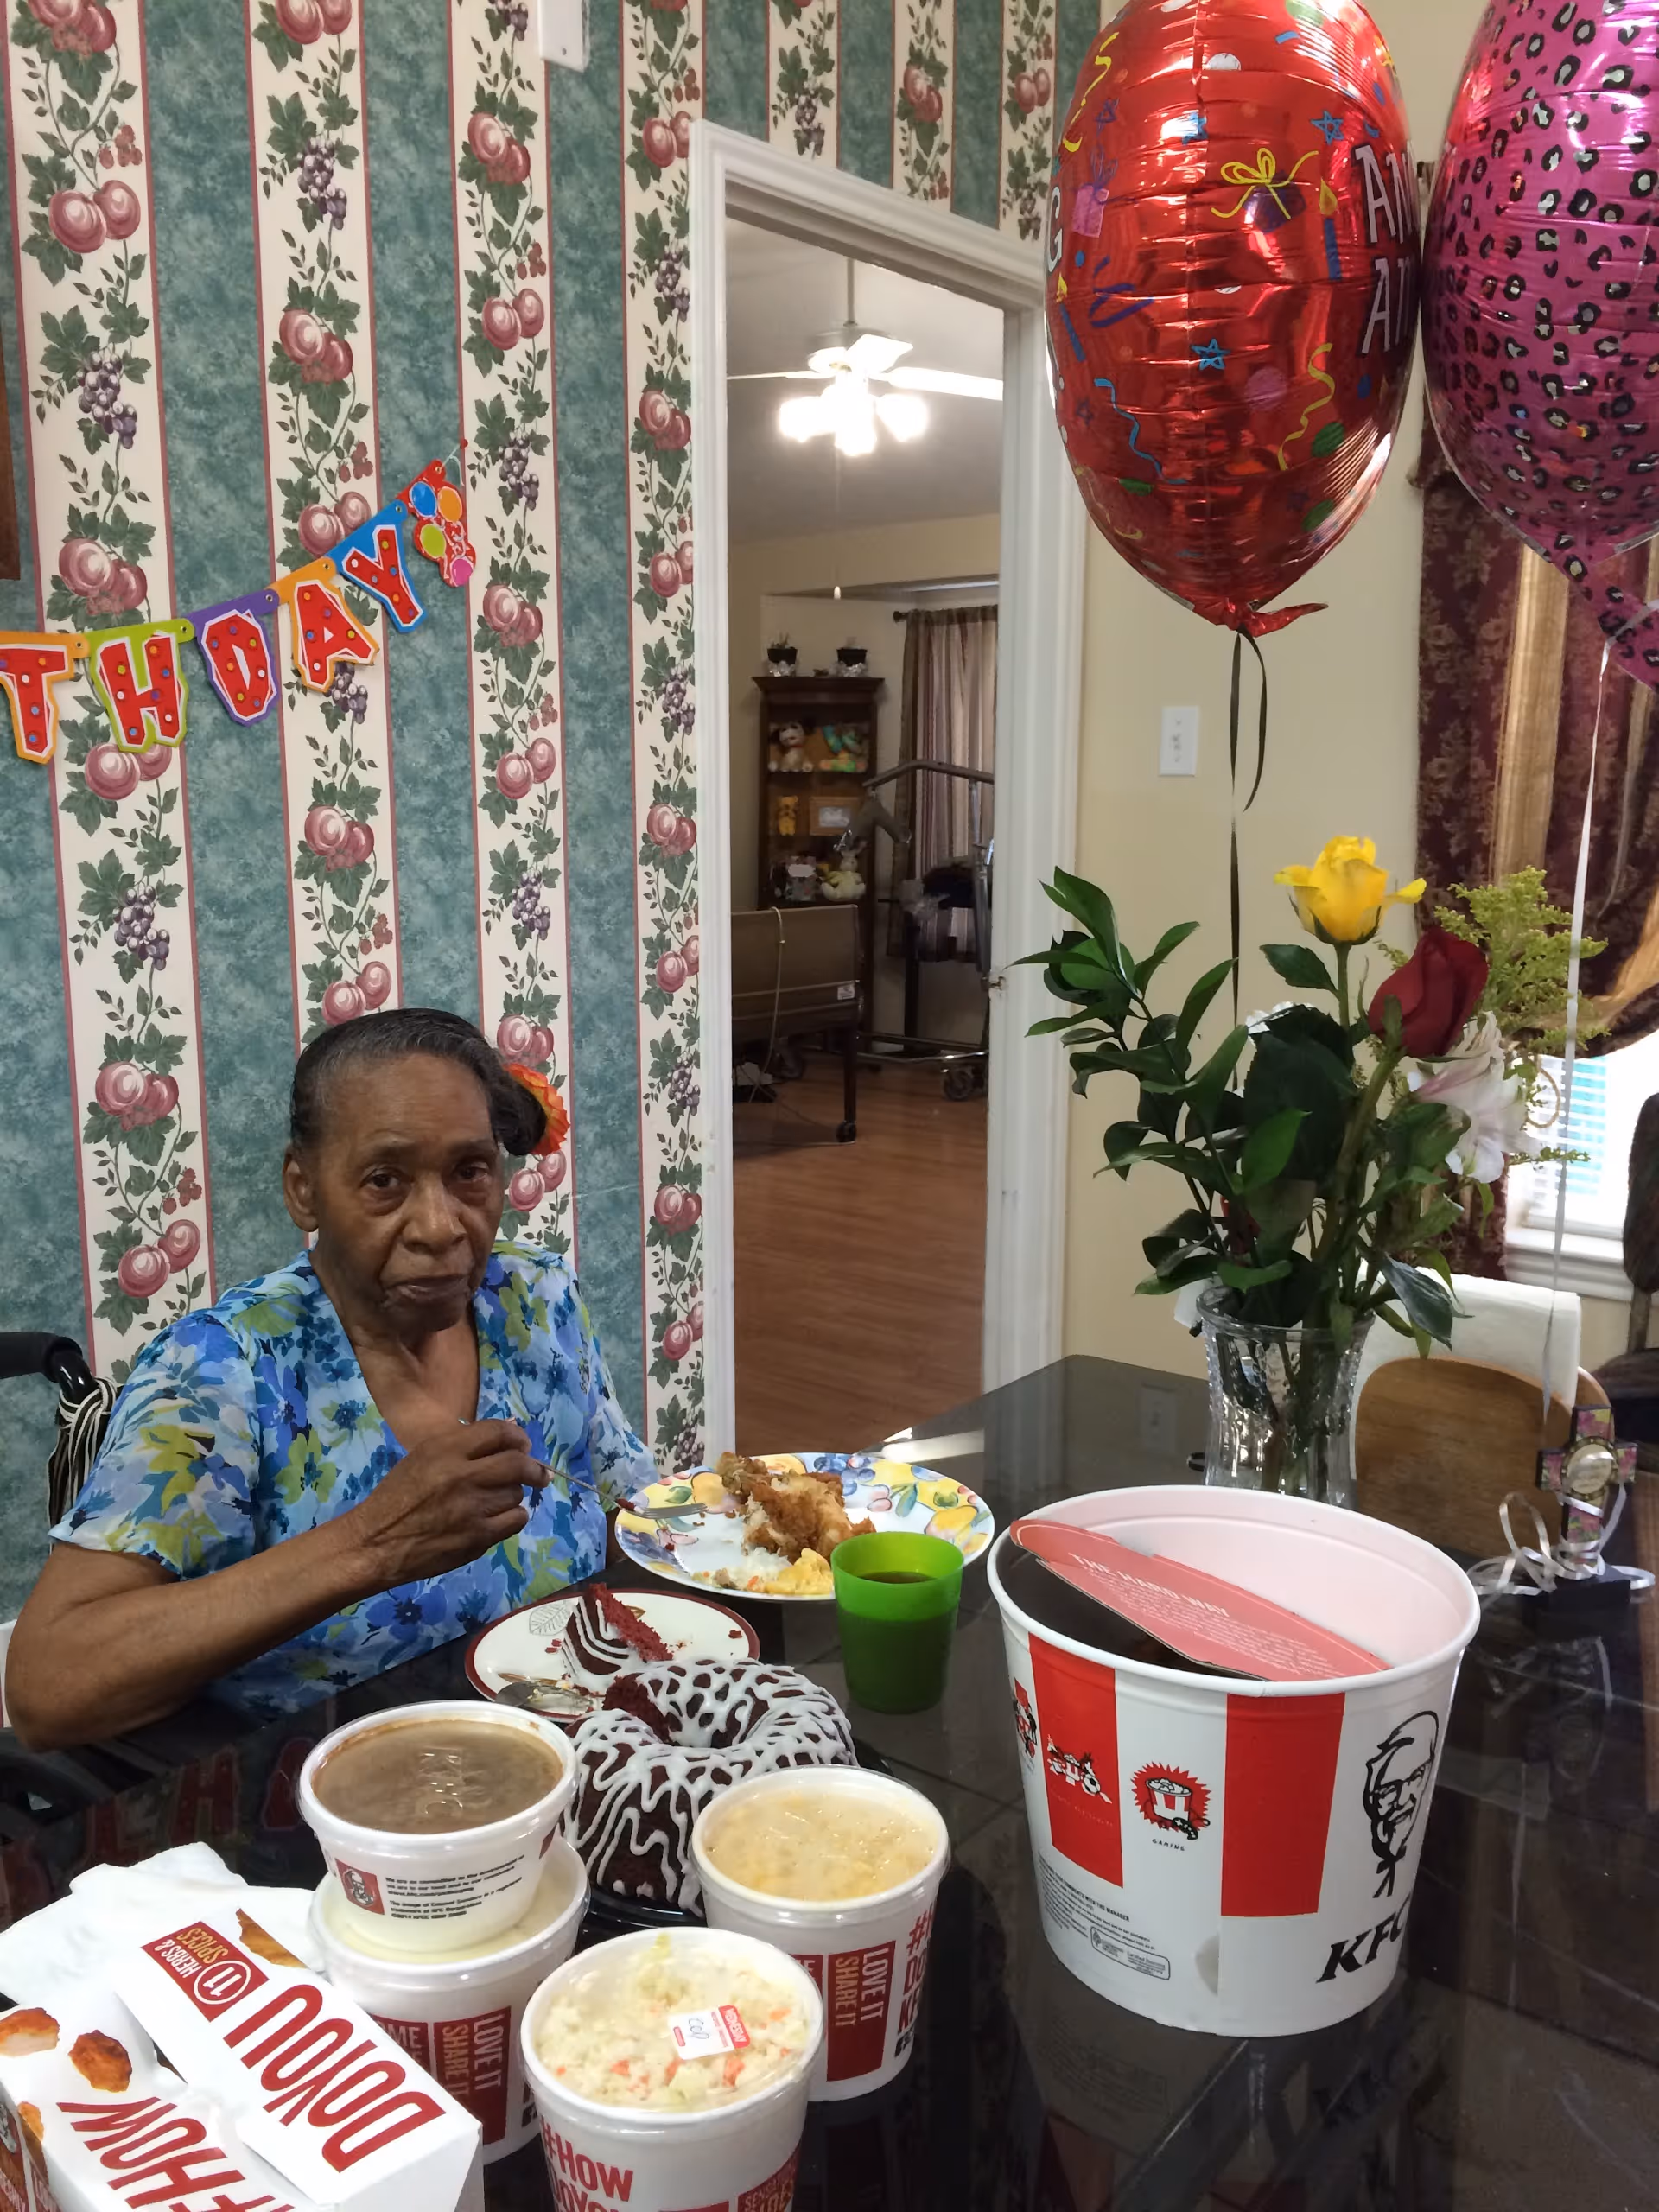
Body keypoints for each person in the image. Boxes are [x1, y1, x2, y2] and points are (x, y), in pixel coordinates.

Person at [7, 1009, 657, 1748]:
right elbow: (45, 1686)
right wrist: (372, 1545)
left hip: (580, 1748)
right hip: (331, 1809)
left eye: (469, 1172)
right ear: (304, 1190)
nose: (442, 1225)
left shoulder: (535, 1299)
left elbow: (627, 1513)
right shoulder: (225, 1371)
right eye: (385, 1181)